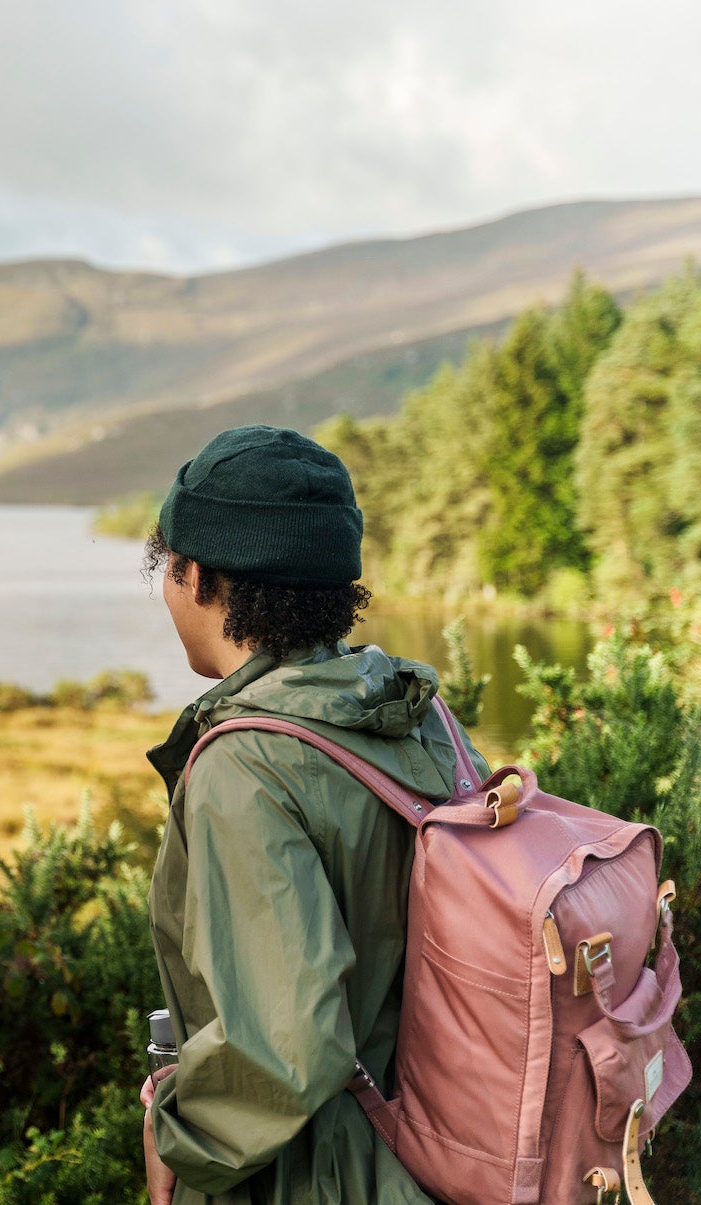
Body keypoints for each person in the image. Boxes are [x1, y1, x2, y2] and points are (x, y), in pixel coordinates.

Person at [137, 425, 485, 1205]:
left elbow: (286, 1045)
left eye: (167, 564)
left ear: (200, 579)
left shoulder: (244, 765)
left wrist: (177, 1131)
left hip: (318, 1174)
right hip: (438, 1151)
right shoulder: (416, 713)